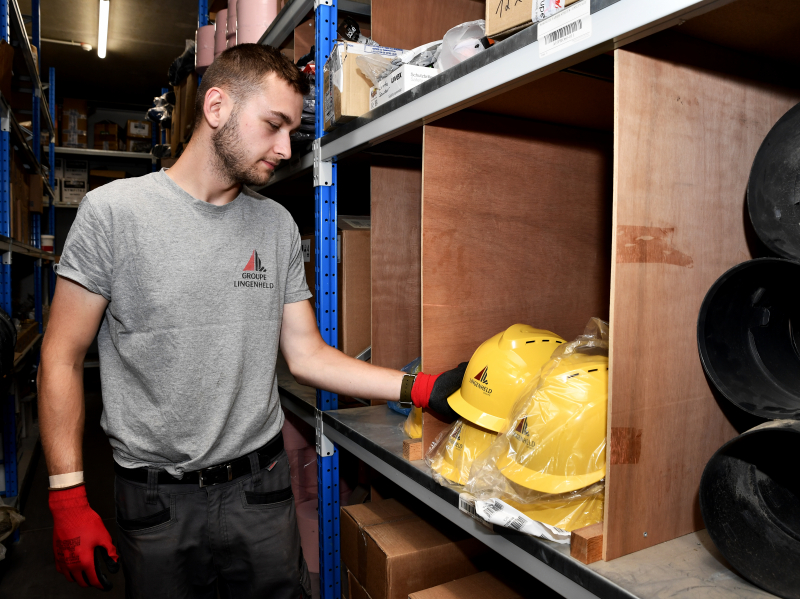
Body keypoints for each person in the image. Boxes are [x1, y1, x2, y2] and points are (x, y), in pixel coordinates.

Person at [38, 44, 463, 598]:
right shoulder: (113, 213)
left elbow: (307, 354)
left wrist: (419, 387)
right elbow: (61, 355)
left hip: (260, 492)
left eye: (293, 131)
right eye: (274, 125)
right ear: (216, 106)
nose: (286, 149)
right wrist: (67, 495)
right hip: (156, 501)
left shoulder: (276, 226)